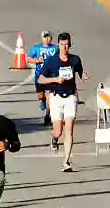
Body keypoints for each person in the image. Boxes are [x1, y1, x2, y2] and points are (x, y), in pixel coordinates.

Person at [36, 32, 89, 172]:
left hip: (71, 97)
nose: (65, 47)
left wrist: (84, 76)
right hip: (56, 97)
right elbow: (40, 79)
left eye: (67, 45)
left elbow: (81, 74)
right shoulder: (51, 61)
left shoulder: (75, 60)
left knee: (69, 129)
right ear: (58, 45)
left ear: (70, 45)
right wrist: (55, 80)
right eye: (62, 45)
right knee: (58, 131)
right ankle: (54, 138)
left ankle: (66, 161)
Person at [26, 30, 59, 129]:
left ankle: (48, 115)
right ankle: (42, 101)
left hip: (50, 76)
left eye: (49, 37)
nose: (47, 39)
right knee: (41, 96)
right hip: (39, 76)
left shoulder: (55, 48)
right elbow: (28, 58)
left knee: (49, 96)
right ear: (42, 38)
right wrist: (36, 60)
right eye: (45, 37)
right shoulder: (36, 48)